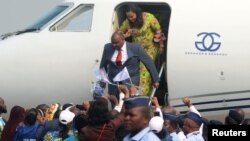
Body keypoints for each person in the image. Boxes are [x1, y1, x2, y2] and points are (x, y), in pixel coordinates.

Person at [119, 4, 165, 96]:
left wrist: (161, 46)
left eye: (132, 16)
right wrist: (126, 35)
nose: (131, 19)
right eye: (128, 17)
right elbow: (119, 34)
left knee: (144, 70)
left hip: (150, 47)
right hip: (136, 49)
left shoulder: (148, 17)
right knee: (135, 70)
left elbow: (158, 31)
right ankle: (135, 92)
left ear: (137, 13)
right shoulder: (127, 22)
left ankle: (142, 95)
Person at [100, 31, 160, 97]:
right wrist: (102, 79)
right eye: (112, 43)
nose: (114, 45)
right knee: (115, 104)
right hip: (114, 83)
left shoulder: (135, 47)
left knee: (131, 103)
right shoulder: (107, 47)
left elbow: (149, 62)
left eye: (116, 43)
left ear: (123, 39)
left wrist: (155, 80)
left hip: (131, 82)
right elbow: (103, 65)